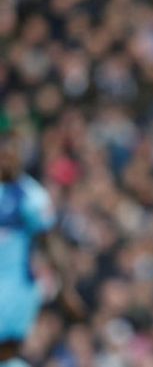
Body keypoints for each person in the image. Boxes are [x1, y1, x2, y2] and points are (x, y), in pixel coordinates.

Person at [0, 130, 85, 367]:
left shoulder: (31, 196)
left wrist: (67, 288)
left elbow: (52, 243)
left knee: (7, 351)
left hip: (14, 288)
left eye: (12, 154)